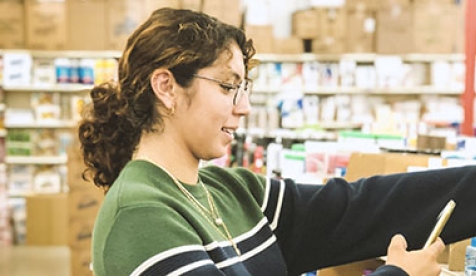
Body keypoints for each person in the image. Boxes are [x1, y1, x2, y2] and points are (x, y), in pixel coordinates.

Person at [77, 7, 476, 276]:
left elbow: (353, 210)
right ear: (166, 87)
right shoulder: (140, 217)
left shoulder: (229, 189)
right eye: (229, 86)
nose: (244, 106)